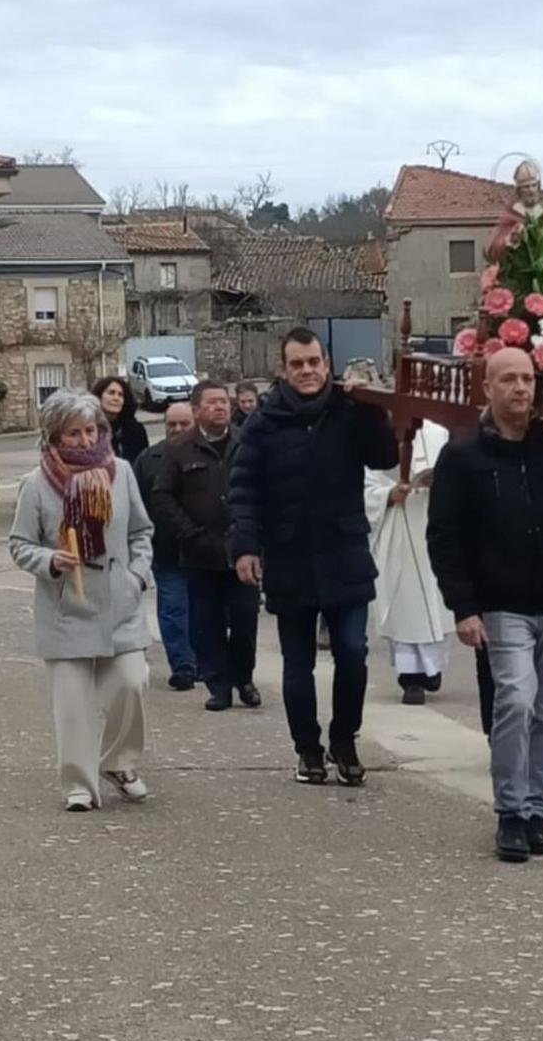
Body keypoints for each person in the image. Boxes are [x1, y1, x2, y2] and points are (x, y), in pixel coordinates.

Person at [428, 347, 543, 863]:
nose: (520, 389)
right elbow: (444, 536)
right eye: (508, 379)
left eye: (527, 379)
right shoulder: (463, 456)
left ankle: (536, 810)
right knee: (515, 699)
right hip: (502, 601)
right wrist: (462, 607)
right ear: (487, 388)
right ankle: (510, 810)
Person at [230, 327, 397, 785]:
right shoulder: (263, 423)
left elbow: (384, 456)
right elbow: (243, 489)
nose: (307, 371)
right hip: (289, 556)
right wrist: (245, 546)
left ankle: (345, 740)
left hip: (345, 552)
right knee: (297, 663)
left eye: (314, 362)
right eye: (297, 364)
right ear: (283, 370)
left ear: (327, 363)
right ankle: (308, 750)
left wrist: (372, 411)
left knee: (352, 653)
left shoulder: (349, 410)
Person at [8, 390, 153, 811]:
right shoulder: (36, 484)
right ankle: (78, 784)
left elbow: (141, 532)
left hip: (118, 603)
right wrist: (50, 559)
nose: (86, 441)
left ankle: (119, 763)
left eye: (91, 430)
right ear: (55, 436)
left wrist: (137, 576)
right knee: (72, 704)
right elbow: (19, 544)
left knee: (132, 681)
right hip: (65, 606)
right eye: (74, 433)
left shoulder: (121, 472)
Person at [153, 381, 260, 713]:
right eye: (212, 403)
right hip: (200, 551)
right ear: (197, 409)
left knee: (245, 620)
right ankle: (219, 686)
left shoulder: (248, 441)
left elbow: (263, 489)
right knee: (206, 623)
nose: (220, 408)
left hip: (242, 550)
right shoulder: (179, 448)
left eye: (223, 402)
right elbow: (162, 495)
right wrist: (188, 531)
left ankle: (243, 678)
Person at [364, 420, 455, 705]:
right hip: (397, 528)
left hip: (435, 521)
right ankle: (410, 678)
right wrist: (388, 495)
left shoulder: (439, 431)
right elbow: (364, 484)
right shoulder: (376, 434)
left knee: (438, 601)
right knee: (405, 601)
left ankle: (433, 668)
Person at [134, 401, 197, 690]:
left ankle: (207, 661)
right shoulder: (148, 459)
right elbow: (138, 507)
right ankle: (183, 665)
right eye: (172, 424)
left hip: (203, 548)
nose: (177, 429)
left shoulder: (212, 454)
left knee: (203, 608)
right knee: (173, 608)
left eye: (184, 423)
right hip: (165, 548)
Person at [91, 376, 149, 463]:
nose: (116, 398)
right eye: (111, 393)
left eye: (120, 395)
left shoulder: (136, 430)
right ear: (99, 397)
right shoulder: (89, 429)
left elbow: (143, 463)